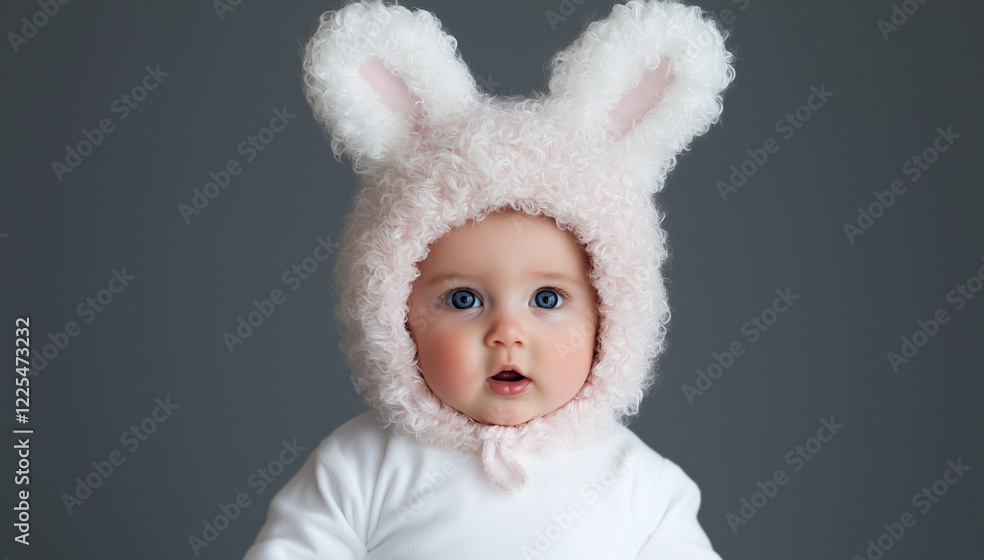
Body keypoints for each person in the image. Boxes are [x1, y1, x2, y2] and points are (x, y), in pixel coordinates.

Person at [244, 0, 733, 557]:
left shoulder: (640, 488)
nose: (507, 332)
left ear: (612, 319)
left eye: (547, 298)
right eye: (463, 298)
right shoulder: (360, 468)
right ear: (394, 318)